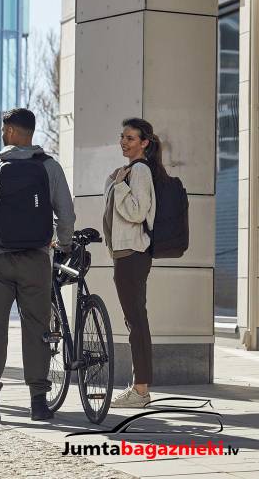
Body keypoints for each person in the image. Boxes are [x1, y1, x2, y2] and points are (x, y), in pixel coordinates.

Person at [0, 108, 75, 422]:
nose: (2, 133)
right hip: (36, 258)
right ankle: (39, 403)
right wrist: (63, 244)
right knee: (37, 328)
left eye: (3, 129)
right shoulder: (49, 166)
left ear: (10, 131)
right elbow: (66, 213)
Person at [103, 118, 162, 408]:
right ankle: (140, 388)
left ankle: (140, 390)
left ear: (144, 143)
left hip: (132, 254)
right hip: (126, 254)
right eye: (122, 137)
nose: (124, 142)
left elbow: (138, 213)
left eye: (130, 138)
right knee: (135, 319)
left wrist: (119, 187)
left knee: (136, 320)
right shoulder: (130, 170)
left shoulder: (139, 170)